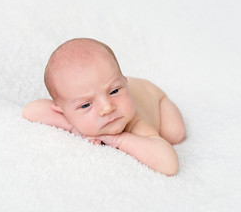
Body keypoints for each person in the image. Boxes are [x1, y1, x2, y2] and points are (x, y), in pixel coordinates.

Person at [22, 38, 185, 176]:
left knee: (174, 134)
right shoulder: (71, 109)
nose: (107, 108)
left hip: (153, 95)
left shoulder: (135, 122)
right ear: (62, 110)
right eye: (86, 105)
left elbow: (169, 165)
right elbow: (30, 110)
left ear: (124, 83)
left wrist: (118, 139)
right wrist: (74, 127)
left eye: (114, 91)